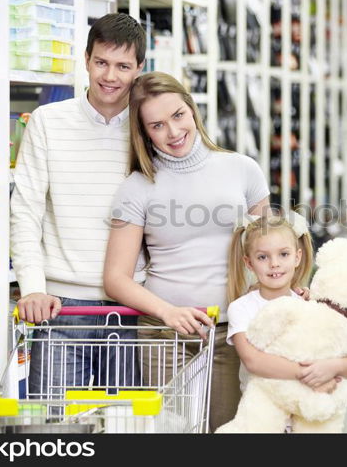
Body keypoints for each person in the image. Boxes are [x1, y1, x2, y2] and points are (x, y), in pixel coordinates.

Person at [104, 71, 277, 431]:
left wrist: (289, 290)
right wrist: (168, 312)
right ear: (144, 132)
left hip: (229, 332)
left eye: (178, 115)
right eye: (157, 125)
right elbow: (116, 279)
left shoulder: (243, 170)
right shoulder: (136, 189)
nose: (173, 132)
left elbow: (273, 250)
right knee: (172, 436)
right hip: (163, 335)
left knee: (225, 432)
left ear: (192, 109)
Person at [10, 13, 147, 398]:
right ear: (86, 59)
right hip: (59, 305)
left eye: (123, 66)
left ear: (139, 68)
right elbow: (25, 211)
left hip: (130, 304)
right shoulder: (47, 122)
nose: (110, 76)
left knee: (125, 430)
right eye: (101, 62)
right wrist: (33, 288)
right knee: (51, 431)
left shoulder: (147, 129)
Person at [225, 214, 347, 411]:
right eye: (263, 257)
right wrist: (312, 376)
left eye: (283, 254)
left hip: (306, 412)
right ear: (249, 263)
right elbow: (253, 361)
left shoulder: (309, 306)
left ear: (297, 257)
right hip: (263, 414)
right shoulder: (242, 308)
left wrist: (331, 368)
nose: (274, 264)